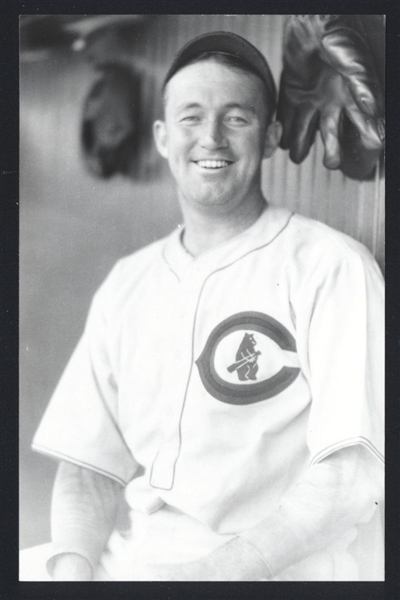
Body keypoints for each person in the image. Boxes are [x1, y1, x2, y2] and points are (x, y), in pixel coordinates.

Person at [22, 31, 384, 581]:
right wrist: (71, 570)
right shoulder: (128, 282)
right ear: (164, 138)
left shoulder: (331, 266)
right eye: (191, 118)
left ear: (270, 137)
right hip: (142, 556)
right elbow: (89, 469)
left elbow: (352, 474)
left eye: (236, 118)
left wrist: (218, 575)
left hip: (277, 565)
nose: (210, 137)